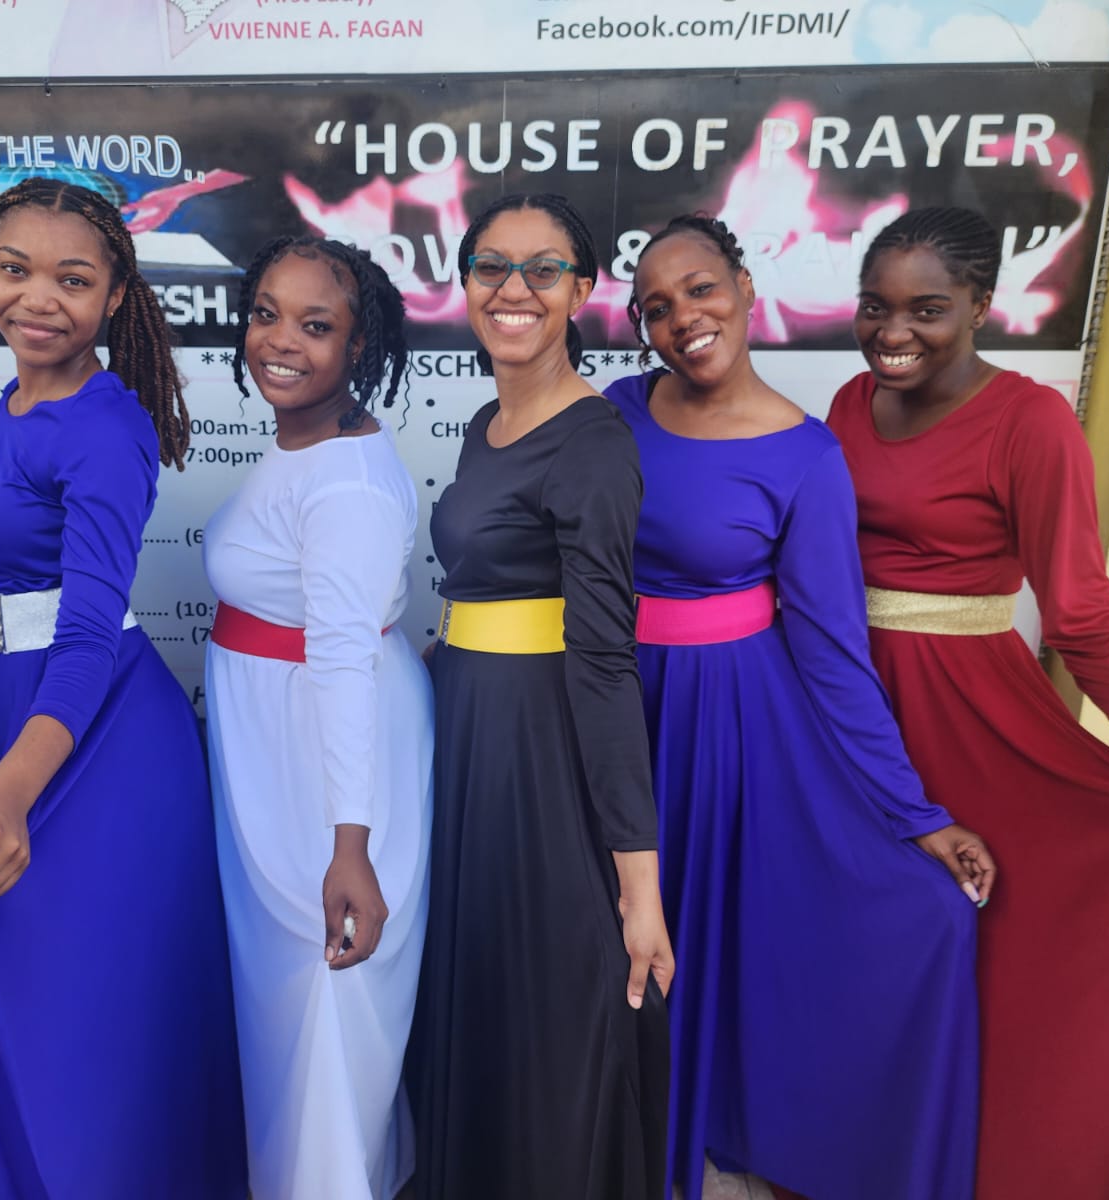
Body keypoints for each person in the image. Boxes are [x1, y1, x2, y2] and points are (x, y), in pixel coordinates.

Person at [604, 215, 994, 1200]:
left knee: (858, 923)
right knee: (612, 929)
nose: (682, 318)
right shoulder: (617, 409)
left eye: (700, 289)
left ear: (743, 287)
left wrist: (915, 814)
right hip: (612, 704)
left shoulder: (806, 455)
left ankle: (728, 1124)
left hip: (730, 724)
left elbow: (832, 651)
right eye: (656, 307)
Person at [829, 205, 1109, 1200]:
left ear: (982, 306)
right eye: (875, 307)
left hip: (970, 710)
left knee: (1000, 935)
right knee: (869, 937)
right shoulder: (851, 402)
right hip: (854, 705)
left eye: (926, 310)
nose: (893, 332)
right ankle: (861, 1147)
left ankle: (1007, 1156)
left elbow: (1077, 607)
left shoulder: (1033, 422)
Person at [0, 178, 247, 1199]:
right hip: (24, 705)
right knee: (30, 989)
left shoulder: (105, 428)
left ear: (114, 296)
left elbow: (89, 628)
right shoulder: (18, 402)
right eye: (13, 269)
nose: (37, 297)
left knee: (87, 1014)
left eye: (72, 279)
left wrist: (10, 788)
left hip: (95, 736)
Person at [406, 192, 674, 1200]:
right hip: (468, 726)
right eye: (491, 266)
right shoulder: (488, 422)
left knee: (555, 990)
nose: (513, 289)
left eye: (543, 268)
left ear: (581, 290)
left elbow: (603, 661)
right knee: (478, 979)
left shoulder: (595, 444)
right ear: (466, 282)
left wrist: (639, 886)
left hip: (538, 747)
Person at [204, 235, 431, 1200]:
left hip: (324, 755)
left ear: (358, 342)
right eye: (265, 314)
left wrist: (352, 847)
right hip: (280, 743)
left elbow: (342, 660)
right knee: (293, 1001)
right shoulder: (309, 444)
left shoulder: (346, 484)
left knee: (323, 990)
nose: (280, 341)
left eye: (315, 324)